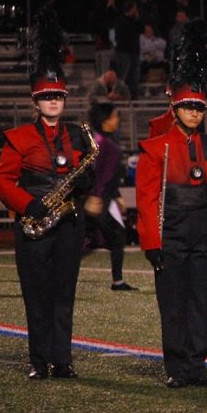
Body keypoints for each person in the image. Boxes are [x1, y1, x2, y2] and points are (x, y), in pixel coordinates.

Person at [0, 9, 94, 380]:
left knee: (64, 293)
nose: (53, 103)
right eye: (47, 97)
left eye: (58, 97)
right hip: (34, 219)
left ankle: (62, 360)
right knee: (36, 296)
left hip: (68, 222)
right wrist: (28, 204)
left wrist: (86, 183)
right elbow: (1, 181)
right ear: (35, 102)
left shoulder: (79, 135)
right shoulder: (18, 138)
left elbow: (88, 175)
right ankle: (38, 361)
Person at [136, 18, 207, 388]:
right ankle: (176, 367)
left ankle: (197, 365)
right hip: (171, 236)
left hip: (204, 235)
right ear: (175, 107)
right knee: (173, 306)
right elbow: (147, 198)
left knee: (200, 304)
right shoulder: (156, 146)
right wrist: (151, 244)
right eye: (188, 106)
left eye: (199, 107)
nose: (194, 112)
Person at [84, 102, 137, 291]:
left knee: (105, 238)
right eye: (114, 116)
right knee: (98, 239)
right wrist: (96, 196)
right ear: (104, 120)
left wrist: (117, 195)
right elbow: (100, 174)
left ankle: (118, 281)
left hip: (104, 197)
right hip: (99, 199)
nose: (118, 119)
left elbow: (109, 175)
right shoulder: (104, 144)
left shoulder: (102, 141)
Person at [114, 0, 141, 99]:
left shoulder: (135, 21)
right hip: (124, 52)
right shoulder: (120, 21)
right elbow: (119, 38)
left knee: (134, 77)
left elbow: (141, 29)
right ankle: (120, 95)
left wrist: (137, 19)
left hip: (135, 52)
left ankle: (133, 97)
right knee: (123, 76)